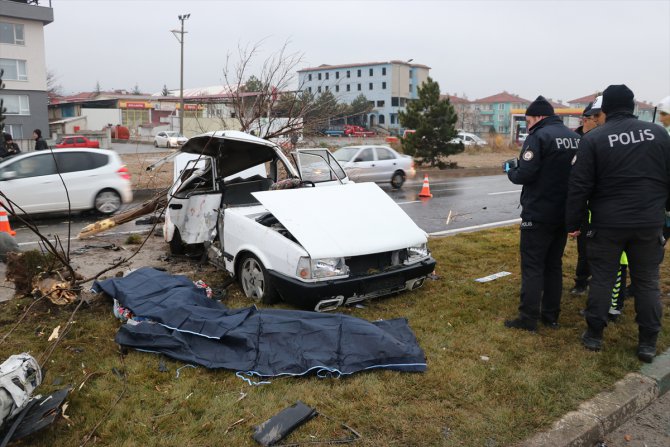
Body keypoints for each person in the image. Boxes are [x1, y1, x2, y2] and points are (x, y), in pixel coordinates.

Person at [566, 84, 670, 363]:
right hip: (648, 222)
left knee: (603, 277)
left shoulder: (595, 138)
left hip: (607, 223)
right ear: (633, 106)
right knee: (647, 281)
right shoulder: (660, 134)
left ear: (605, 109)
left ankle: (594, 335)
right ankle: (648, 341)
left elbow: (579, 185)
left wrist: (574, 222)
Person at [503, 95, 580, 331]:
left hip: (538, 212)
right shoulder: (576, 138)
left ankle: (528, 319)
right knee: (553, 266)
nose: (527, 125)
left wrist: (510, 169)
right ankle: (551, 316)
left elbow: (525, 174)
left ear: (538, 117)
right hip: (564, 213)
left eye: (527, 121)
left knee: (533, 266)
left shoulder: (538, 137)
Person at [571, 96, 605, 296]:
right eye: (582, 118)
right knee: (584, 247)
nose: (584, 121)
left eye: (588, 118)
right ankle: (581, 281)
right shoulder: (578, 138)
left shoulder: (603, 139)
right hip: (584, 204)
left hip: (601, 204)